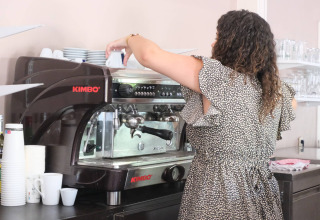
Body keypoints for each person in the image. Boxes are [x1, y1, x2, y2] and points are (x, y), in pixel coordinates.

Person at [106, 10, 296, 220]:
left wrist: (130, 38)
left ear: (231, 43)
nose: (214, 44)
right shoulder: (277, 91)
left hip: (218, 194)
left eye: (218, 38)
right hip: (262, 195)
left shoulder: (217, 77)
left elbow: (149, 56)